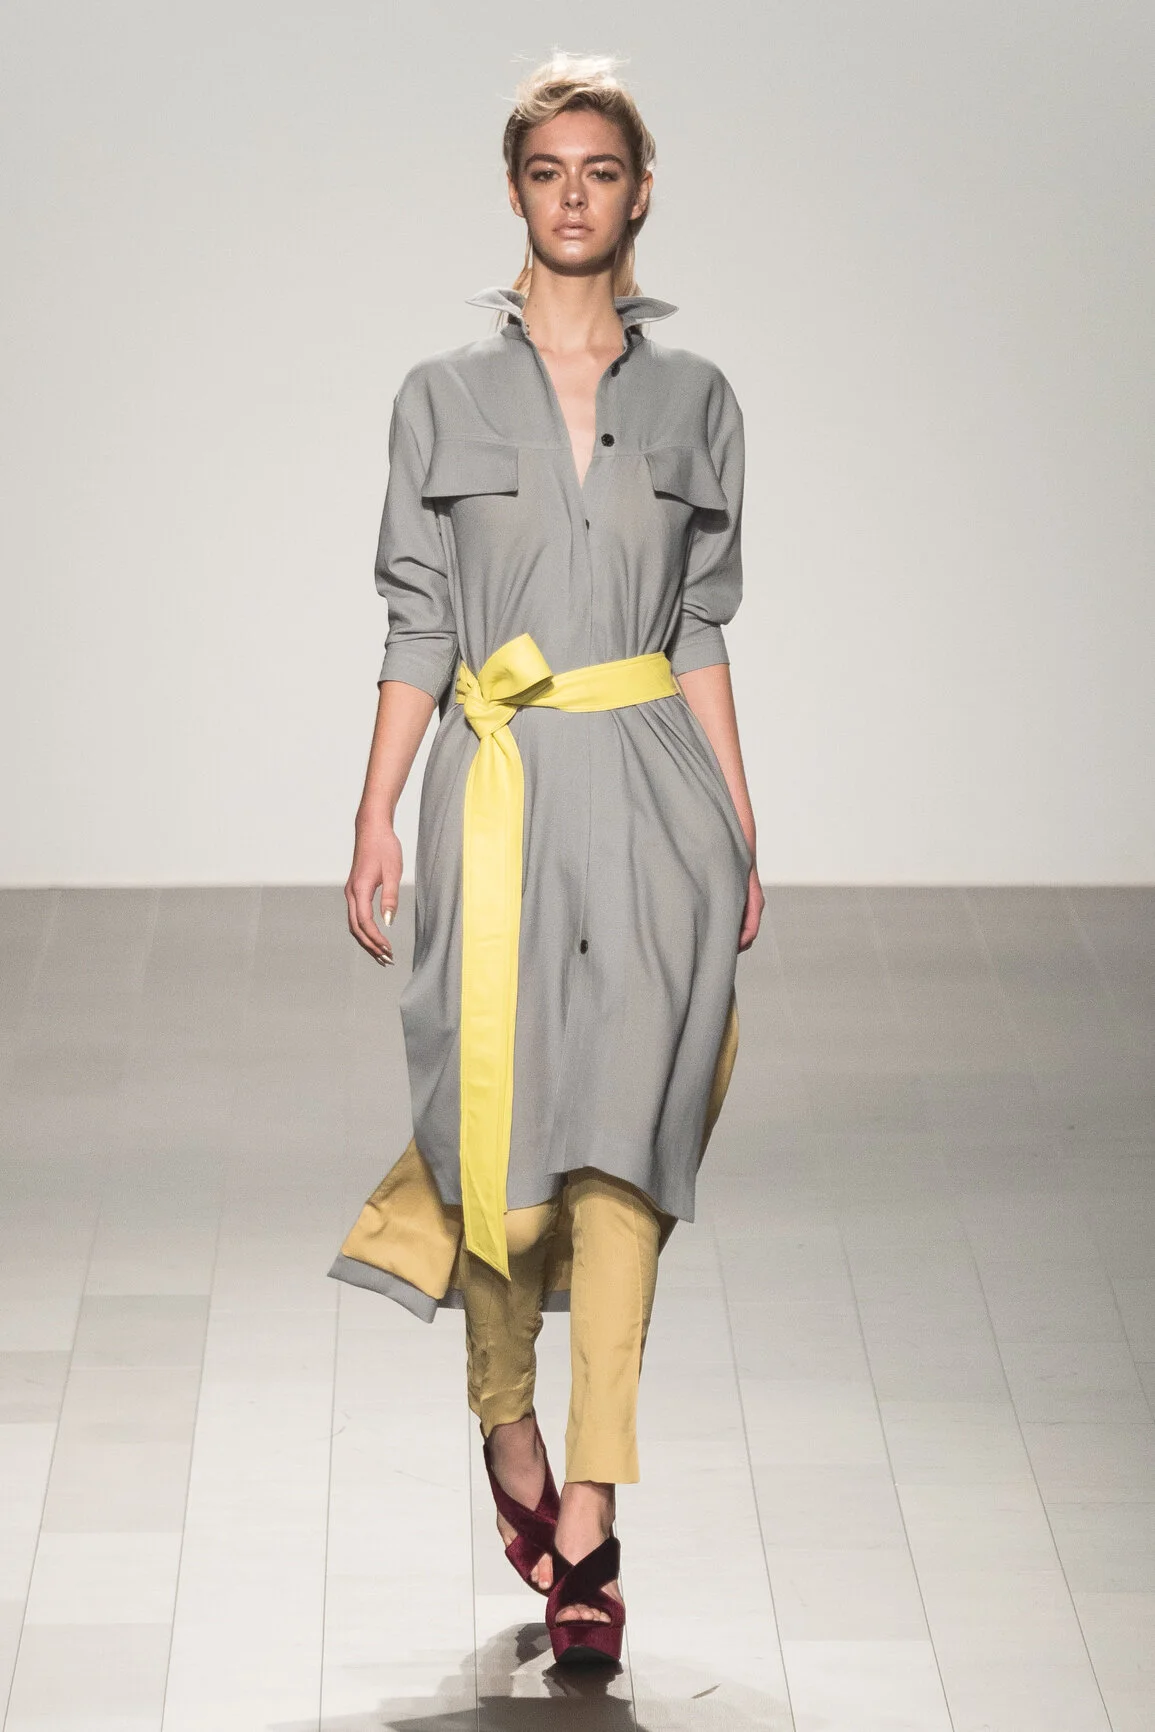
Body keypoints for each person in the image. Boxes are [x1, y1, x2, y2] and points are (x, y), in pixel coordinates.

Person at [332, 51, 763, 1666]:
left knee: (626, 1147)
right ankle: (504, 1412)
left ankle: (590, 1505)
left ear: (640, 193)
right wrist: (375, 810)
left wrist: (739, 825)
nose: (572, 196)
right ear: (513, 192)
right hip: (495, 790)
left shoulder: (697, 397)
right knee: (500, 1148)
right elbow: (416, 617)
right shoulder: (439, 396)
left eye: (599, 170)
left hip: (654, 794)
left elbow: (700, 621)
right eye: (545, 170)